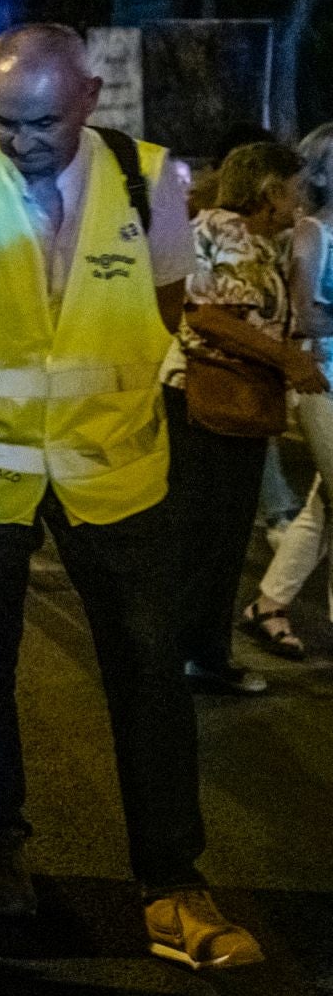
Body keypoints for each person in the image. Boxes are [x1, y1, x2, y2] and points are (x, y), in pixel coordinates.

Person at [0, 22, 262, 971]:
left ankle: (173, 880)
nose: (21, 141)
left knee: (148, 671)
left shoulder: (149, 184)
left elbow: (166, 313)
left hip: (115, 468)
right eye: (5, 123)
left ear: (91, 98)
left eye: (43, 121)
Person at [162, 141, 318, 696]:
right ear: (270, 189)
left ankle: (197, 653)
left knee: (218, 535)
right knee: (208, 534)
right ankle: (190, 657)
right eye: (294, 187)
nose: (301, 198)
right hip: (207, 399)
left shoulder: (259, 238)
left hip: (231, 401)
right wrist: (289, 360)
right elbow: (207, 315)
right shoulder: (229, 230)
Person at [247, 124, 333, 655]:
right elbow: (304, 316)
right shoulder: (311, 233)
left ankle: (268, 604)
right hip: (320, 380)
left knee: (324, 502)